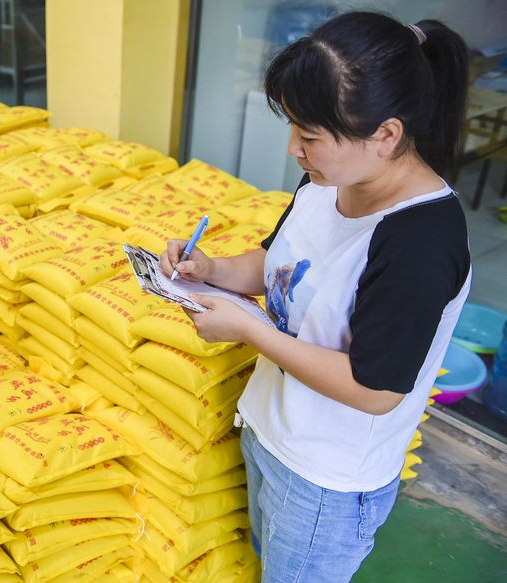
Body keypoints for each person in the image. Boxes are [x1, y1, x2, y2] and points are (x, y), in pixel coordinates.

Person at [160, 12, 471, 582]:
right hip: (270, 431)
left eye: (308, 137)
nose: (292, 149)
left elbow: (375, 390)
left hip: (325, 480)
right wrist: (213, 268)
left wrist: (253, 331)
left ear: (386, 135)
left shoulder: (421, 240)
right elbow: (283, 267)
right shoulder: (329, 182)